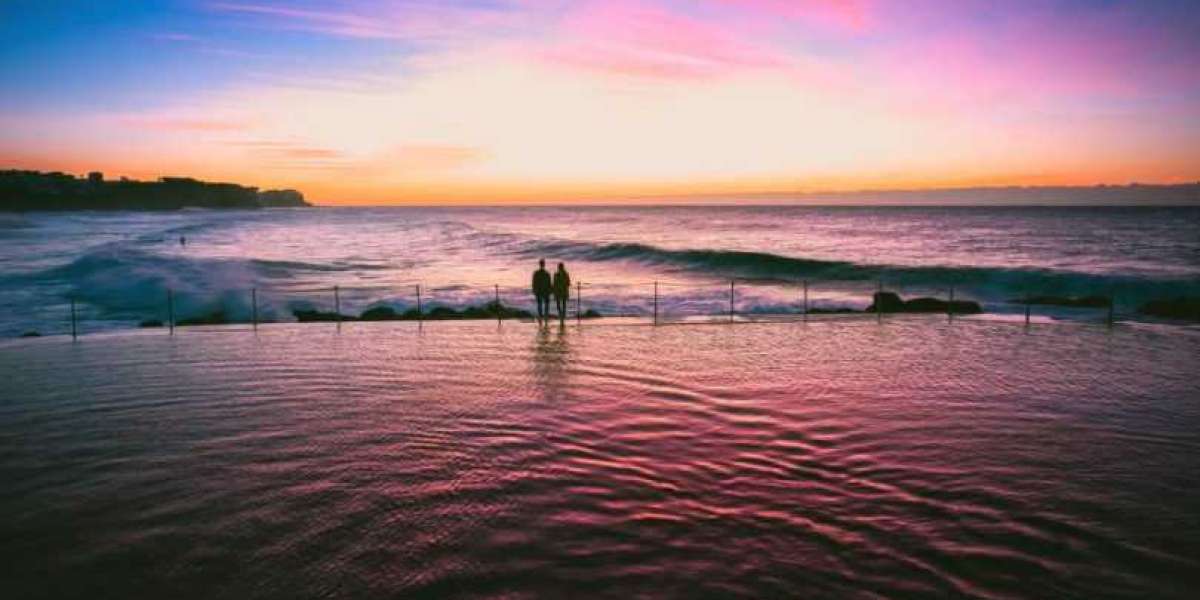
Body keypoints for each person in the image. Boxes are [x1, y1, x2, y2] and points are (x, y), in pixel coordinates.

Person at [531, 259, 552, 323]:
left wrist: (534, 290)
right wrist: (550, 290)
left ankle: (541, 316)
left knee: (540, 304)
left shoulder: (537, 273)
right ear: (544, 264)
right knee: (545, 304)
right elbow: (549, 283)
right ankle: (545, 316)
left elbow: (534, 282)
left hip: (540, 291)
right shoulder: (546, 273)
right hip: (544, 291)